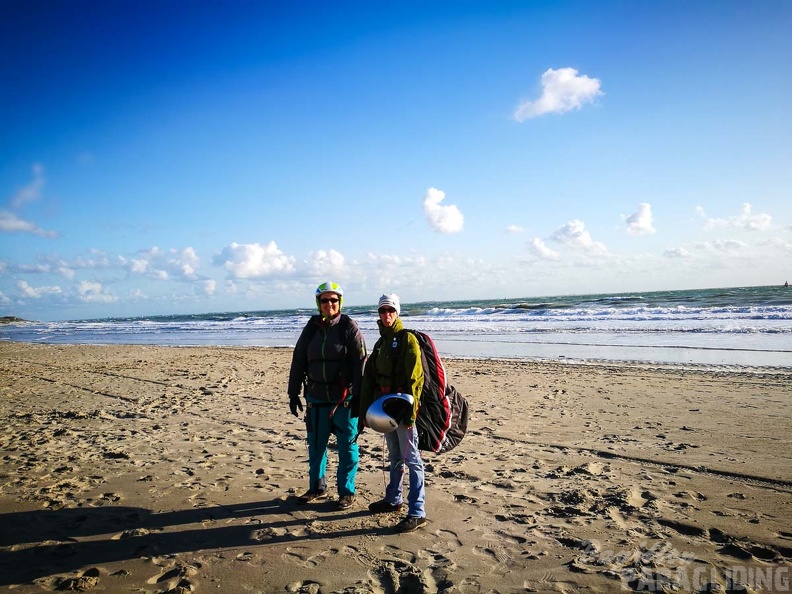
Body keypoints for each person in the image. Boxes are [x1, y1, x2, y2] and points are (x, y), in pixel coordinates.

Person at [287, 281, 367, 510]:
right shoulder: (311, 328)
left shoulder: (349, 327)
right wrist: (293, 393)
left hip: (344, 401)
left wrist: (359, 399)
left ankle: (346, 492)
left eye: (333, 300)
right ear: (318, 303)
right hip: (316, 399)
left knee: (348, 448)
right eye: (324, 300)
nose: (329, 304)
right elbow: (298, 360)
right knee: (316, 446)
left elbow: (361, 364)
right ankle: (317, 487)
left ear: (339, 302)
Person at [359, 293, 427, 533]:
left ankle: (417, 512)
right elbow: (369, 380)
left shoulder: (407, 339)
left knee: (412, 460)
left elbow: (415, 379)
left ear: (397, 313)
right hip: (384, 409)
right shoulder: (380, 344)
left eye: (391, 311)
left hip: (403, 409)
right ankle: (393, 500)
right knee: (395, 457)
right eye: (382, 311)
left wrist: (410, 415)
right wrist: (364, 413)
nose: (386, 315)